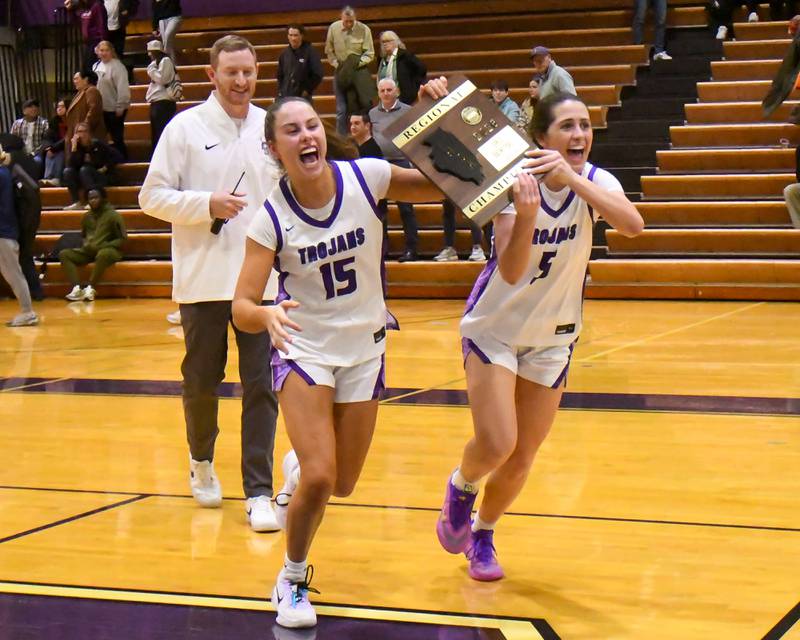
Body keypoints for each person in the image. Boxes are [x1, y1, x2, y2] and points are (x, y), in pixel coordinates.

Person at [231, 85, 448, 629]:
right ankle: (292, 578)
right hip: (304, 350)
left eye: (310, 126)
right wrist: (266, 317)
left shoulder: (365, 177)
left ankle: (298, 463)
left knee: (342, 481)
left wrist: (430, 114)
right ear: (273, 147)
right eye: (291, 130)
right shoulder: (271, 218)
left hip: (364, 349)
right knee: (324, 478)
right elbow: (240, 305)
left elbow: (440, 184)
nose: (305, 136)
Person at [435, 91, 644, 582]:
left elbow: (632, 225)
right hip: (496, 331)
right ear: (540, 138)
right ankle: (461, 486)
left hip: (553, 336)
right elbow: (508, 271)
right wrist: (527, 214)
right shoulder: (512, 184)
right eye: (567, 127)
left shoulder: (594, 180)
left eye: (585, 126)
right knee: (497, 443)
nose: (579, 135)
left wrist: (571, 179)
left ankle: (483, 535)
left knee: (523, 453)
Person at [138, 35, 280, 533]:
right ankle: (201, 459)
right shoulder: (184, 128)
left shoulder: (271, 126)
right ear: (212, 76)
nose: (242, 81)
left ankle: (259, 491)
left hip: (260, 283)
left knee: (262, 385)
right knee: (202, 381)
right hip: (202, 281)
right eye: (232, 72)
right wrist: (205, 204)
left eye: (249, 72)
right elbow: (150, 196)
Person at [369, 78, 418, 261]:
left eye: (389, 90)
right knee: (380, 211)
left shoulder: (407, 111)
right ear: (378, 92)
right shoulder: (372, 114)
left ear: (396, 91)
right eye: (382, 91)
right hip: (380, 164)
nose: (386, 94)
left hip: (402, 162)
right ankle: (382, 249)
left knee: (406, 209)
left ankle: (411, 249)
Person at [59, 186, 126, 301]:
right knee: (64, 254)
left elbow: (122, 239)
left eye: (96, 197)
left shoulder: (113, 215)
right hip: (89, 251)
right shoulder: (86, 217)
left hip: (110, 250)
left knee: (103, 254)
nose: (93, 200)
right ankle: (77, 288)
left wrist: (105, 245)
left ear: (103, 198)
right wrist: (87, 244)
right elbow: (84, 235)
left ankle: (91, 287)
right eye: (90, 198)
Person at [0, 146, 39, 327]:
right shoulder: (5, 173)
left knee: (14, 274)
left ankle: (28, 312)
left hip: (4, 232)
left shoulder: (1, 175)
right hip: (6, 231)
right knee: (12, 274)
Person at [325, 6, 376, 135]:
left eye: (351, 21)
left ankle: (367, 136)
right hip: (341, 71)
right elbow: (329, 51)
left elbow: (369, 53)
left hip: (358, 71)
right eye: (346, 21)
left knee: (363, 106)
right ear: (341, 18)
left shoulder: (364, 29)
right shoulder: (333, 28)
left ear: (355, 19)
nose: (348, 24)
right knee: (341, 110)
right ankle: (342, 140)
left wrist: (354, 65)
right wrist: (338, 65)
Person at [62, 121, 123, 210]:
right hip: (83, 177)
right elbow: (71, 166)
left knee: (84, 169)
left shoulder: (97, 144)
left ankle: (92, 201)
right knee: (67, 171)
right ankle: (77, 202)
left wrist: (105, 167)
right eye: (79, 132)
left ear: (89, 133)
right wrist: (74, 148)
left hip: (99, 176)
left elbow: (117, 156)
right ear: (76, 134)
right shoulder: (76, 147)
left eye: (85, 131)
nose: (83, 134)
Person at [93, 40, 130, 160]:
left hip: (114, 108)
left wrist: (121, 105)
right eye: (101, 50)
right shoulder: (96, 65)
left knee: (117, 138)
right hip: (101, 108)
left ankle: (123, 161)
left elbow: (123, 88)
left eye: (106, 50)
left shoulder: (118, 67)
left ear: (111, 51)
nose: (104, 53)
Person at [65, 69, 106, 164]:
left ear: (85, 79)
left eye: (76, 79)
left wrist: (82, 130)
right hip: (77, 137)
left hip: (87, 136)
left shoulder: (91, 91)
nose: (74, 81)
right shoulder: (80, 93)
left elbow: (93, 111)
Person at [376, 30, 427, 106]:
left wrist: (413, 85)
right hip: (386, 96)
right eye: (383, 42)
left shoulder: (405, 55)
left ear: (395, 42)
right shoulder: (381, 59)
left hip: (404, 96)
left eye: (388, 41)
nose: (385, 44)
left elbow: (422, 69)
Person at [145, 39, 178, 150]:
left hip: (163, 101)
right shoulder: (155, 63)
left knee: (161, 133)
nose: (149, 54)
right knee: (156, 134)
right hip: (156, 102)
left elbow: (162, 78)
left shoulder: (165, 61)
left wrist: (151, 70)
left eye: (151, 51)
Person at [277, 24, 324, 101]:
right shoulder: (284, 54)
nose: (293, 38)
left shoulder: (310, 52)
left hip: (303, 97)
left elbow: (318, 74)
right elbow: (280, 75)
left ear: (301, 36)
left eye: (296, 35)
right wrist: (281, 91)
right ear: (288, 36)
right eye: (291, 35)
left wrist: (307, 90)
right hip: (286, 96)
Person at [64, 0, 108, 70]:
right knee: (87, 68)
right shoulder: (83, 7)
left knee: (89, 69)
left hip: (96, 42)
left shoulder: (97, 6)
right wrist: (70, 10)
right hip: (88, 42)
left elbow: (102, 26)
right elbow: (76, 22)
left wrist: (102, 45)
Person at [10, 100, 49, 179]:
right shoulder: (17, 124)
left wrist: (36, 153)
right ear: (24, 111)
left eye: (36, 106)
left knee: (37, 162)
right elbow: (12, 141)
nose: (34, 108)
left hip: (37, 153)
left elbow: (46, 141)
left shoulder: (44, 123)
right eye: (30, 106)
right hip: (21, 154)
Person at [40, 99, 69, 187]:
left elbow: (67, 138)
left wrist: (53, 148)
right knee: (49, 152)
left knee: (59, 152)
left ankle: (56, 179)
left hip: (68, 147)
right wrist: (48, 148)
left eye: (62, 106)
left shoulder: (72, 121)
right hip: (55, 147)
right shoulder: (54, 121)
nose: (59, 109)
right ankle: (47, 179)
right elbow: (47, 137)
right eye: (58, 107)